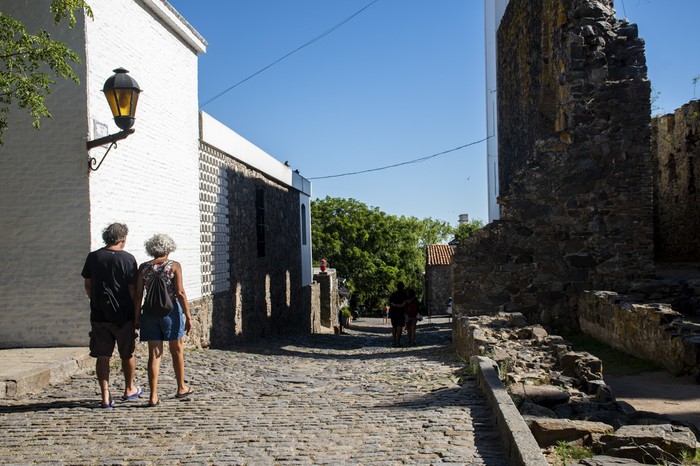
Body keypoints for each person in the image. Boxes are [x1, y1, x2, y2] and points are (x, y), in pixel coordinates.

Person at [81, 223, 142, 408]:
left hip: (100, 315)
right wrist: (136, 313)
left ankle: (105, 396)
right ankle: (129, 388)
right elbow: (133, 289)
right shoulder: (128, 259)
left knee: (103, 355)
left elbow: (88, 285)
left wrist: (96, 301)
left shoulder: (94, 257)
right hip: (124, 315)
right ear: (123, 239)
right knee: (127, 353)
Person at [134, 233, 193, 407]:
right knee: (176, 350)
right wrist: (187, 315)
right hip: (170, 313)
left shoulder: (144, 268)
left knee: (154, 354)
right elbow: (180, 293)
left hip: (150, 313)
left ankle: (153, 395)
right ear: (168, 248)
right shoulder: (173, 266)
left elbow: (138, 295)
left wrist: (137, 316)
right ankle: (181, 387)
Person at [388, 282, 408, 347]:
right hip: (400, 312)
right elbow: (404, 304)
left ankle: (394, 341)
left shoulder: (393, 294)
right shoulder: (404, 294)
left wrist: (393, 305)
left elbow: (389, 302)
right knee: (399, 327)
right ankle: (397, 342)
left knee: (394, 327)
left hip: (393, 312)